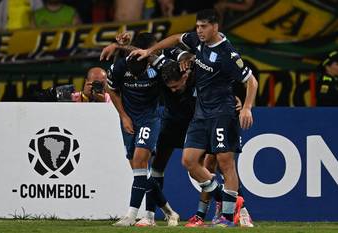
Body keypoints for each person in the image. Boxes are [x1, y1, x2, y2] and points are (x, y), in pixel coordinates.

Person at [130, 9, 258, 227]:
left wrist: (246, 107)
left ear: (215, 27)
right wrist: (150, 50)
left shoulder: (228, 54)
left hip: (221, 113)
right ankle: (228, 199)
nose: (199, 31)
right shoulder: (196, 43)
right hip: (201, 114)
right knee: (189, 161)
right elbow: (175, 38)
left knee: (226, 164)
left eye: (204, 27)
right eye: (198, 26)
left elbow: (251, 81)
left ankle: (226, 218)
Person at [105, 32, 179, 227]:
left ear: (148, 61)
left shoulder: (158, 65)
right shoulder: (120, 66)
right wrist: (123, 116)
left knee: (139, 162)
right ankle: (169, 211)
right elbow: (111, 88)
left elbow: (175, 76)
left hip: (150, 119)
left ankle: (131, 215)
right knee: (140, 174)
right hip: (129, 120)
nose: (136, 76)